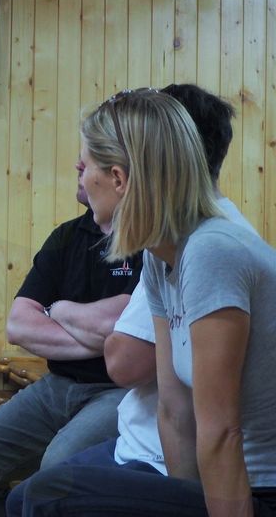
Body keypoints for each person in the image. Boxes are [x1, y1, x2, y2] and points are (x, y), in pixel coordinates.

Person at [16, 89, 276, 517]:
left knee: (50, 495)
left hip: (257, 488)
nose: (83, 179)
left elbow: (221, 432)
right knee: (21, 498)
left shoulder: (211, 250)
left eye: (88, 166)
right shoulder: (160, 256)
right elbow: (174, 413)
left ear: (118, 179)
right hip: (220, 479)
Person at [0, 160, 142, 516]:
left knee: (56, 470)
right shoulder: (67, 237)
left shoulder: (150, 241)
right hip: (56, 385)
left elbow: (126, 328)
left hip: (120, 391)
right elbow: (19, 326)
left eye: (90, 158)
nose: (78, 164)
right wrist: (105, 337)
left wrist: (58, 310)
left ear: (118, 176)